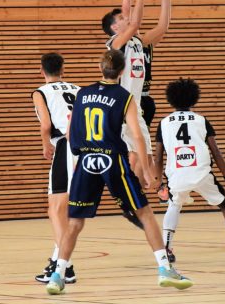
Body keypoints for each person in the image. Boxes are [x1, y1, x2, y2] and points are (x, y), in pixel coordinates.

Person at [45, 50, 193, 295]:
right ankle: (165, 269)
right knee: (144, 213)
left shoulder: (82, 93)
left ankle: (57, 275)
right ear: (123, 71)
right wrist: (147, 171)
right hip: (112, 160)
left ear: (100, 68)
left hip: (86, 160)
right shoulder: (124, 96)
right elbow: (137, 135)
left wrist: (80, 156)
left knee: (75, 222)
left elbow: (71, 132)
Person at [154, 78, 225, 263]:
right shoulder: (201, 120)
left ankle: (167, 248)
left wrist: (158, 181)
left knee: (174, 206)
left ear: (171, 99)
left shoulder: (163, 123)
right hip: (201, 172)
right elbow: (216, 152)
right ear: (194, 98)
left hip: (177, 174)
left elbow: (159, 156)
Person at [101, 0, 174, 186]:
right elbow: (133, 22)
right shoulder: (115, 43)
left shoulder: (137, 41)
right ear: (115, 27)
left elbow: (161, 27)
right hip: (121, 104)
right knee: (137, 155)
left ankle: (139, 189)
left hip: (135, 104)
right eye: (121, 18)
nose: (127, 16)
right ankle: (137, 188)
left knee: (144, 156)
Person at [31, 53, 80, 283]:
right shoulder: (79, 89)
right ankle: (57, 262)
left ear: (41, 70)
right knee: (64, 210)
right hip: (88, 148)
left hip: (66, 146)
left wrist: (45, 145)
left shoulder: (40, 92)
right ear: (63, 69)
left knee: (56, 209)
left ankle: (64, 267)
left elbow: (46, 125)